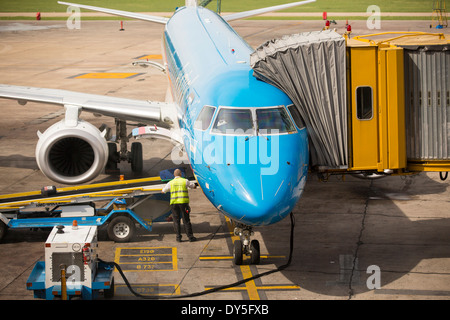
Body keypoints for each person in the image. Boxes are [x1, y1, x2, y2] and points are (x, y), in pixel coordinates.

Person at [162, 169, 197, 242]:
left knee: (176, 221)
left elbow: (163, 191)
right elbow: (193, 186)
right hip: (183, 203)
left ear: (174, 175)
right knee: (186, 220)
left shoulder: (170, 183)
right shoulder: (185, 181)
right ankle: (190, 237)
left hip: (174, 204)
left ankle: (178, 238)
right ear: (180, 174)